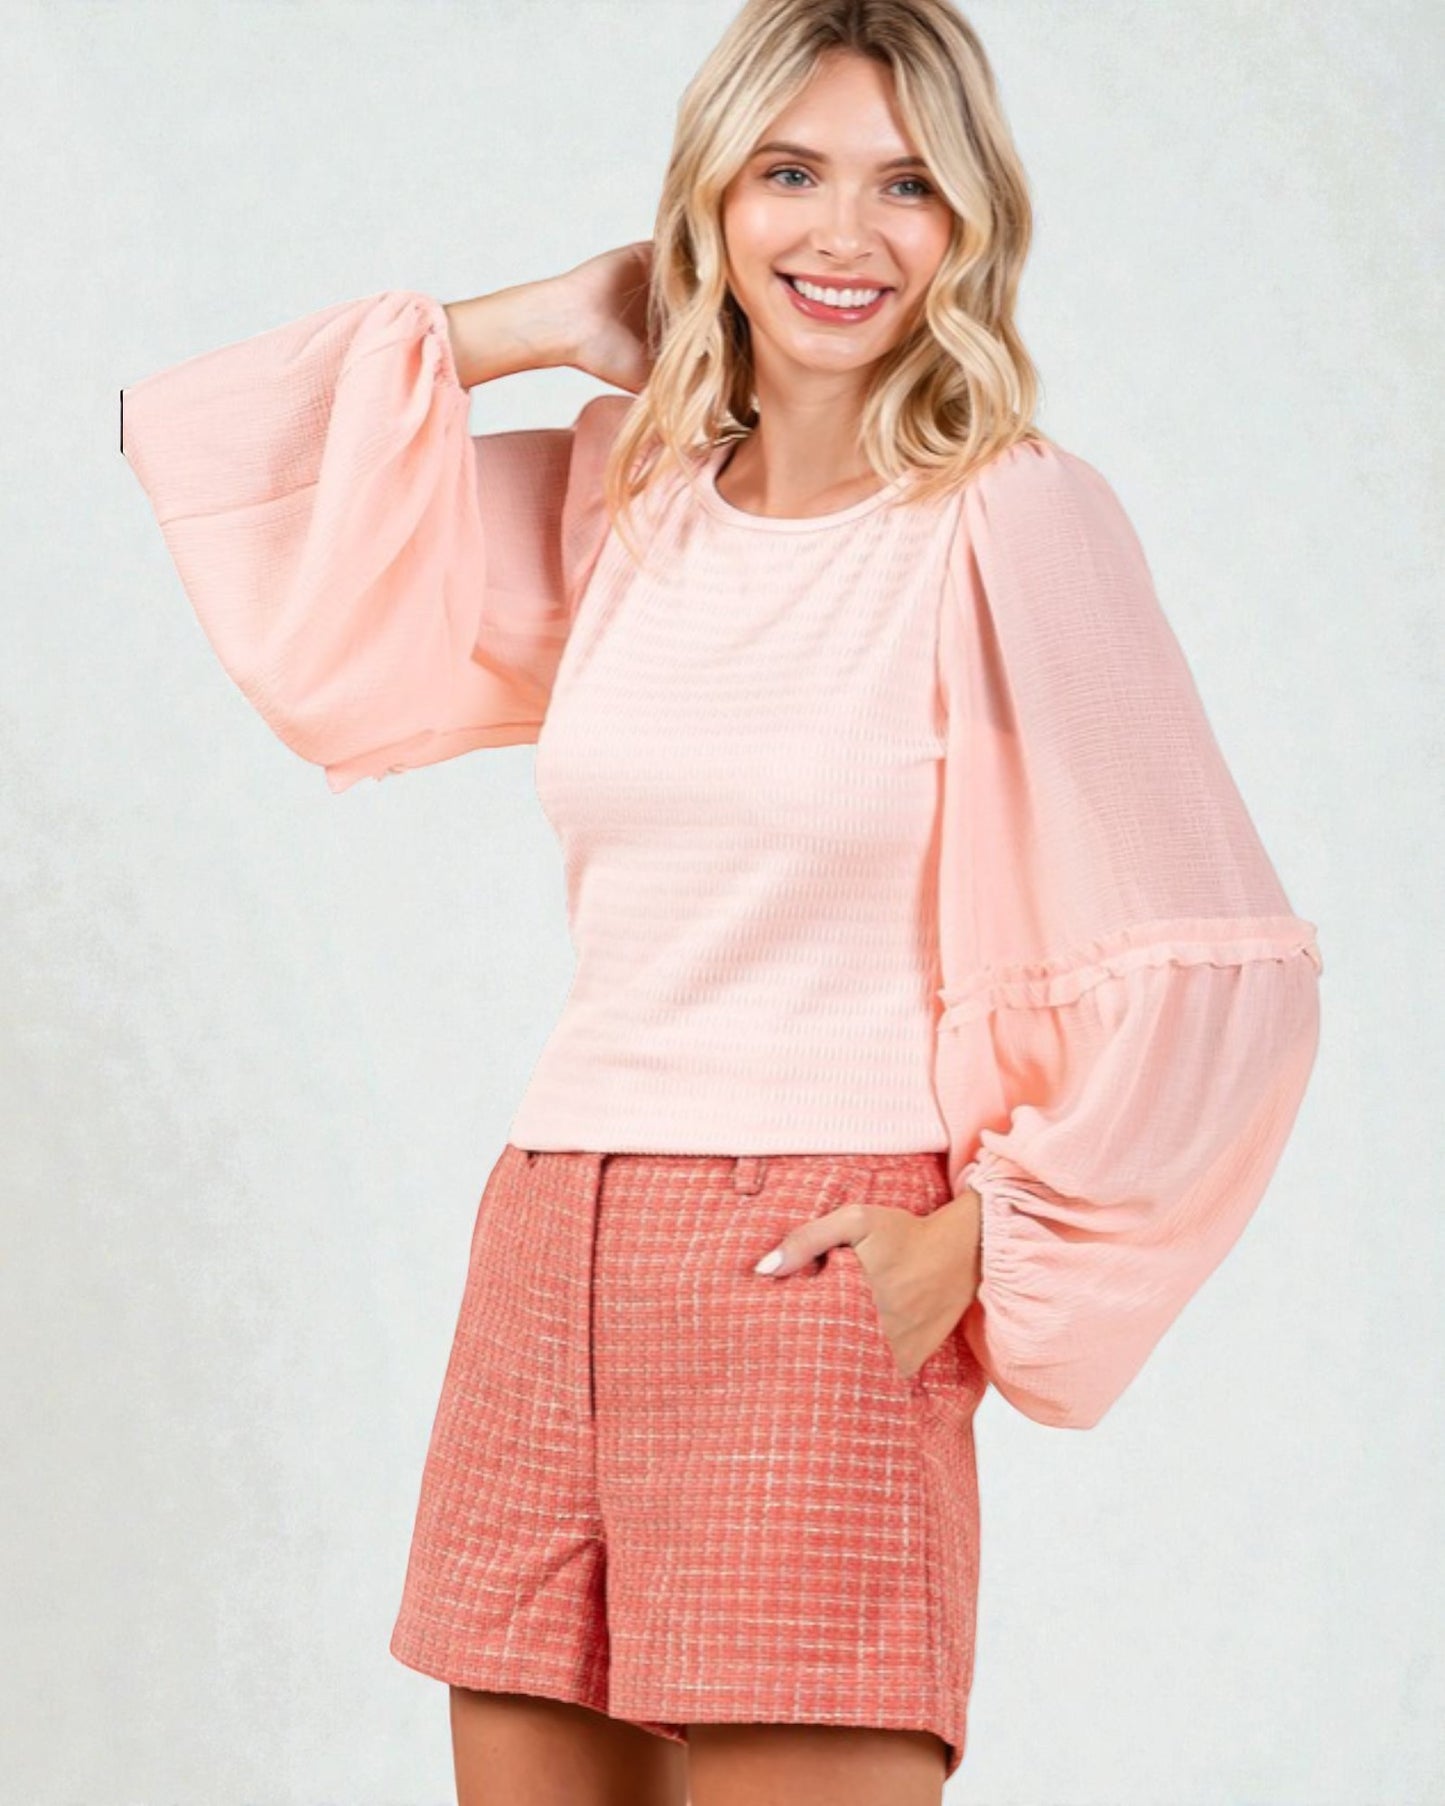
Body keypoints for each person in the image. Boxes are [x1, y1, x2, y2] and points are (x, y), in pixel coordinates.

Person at [119, 1, 1323, 1801]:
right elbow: (217, 456)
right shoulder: (632, 497)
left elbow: (1221, 960)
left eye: (905, 184)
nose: (844, 236)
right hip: (548, 1244)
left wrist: (980, 1237)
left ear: (968, 225)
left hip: (809, 1255)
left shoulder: (1010, 523)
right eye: (790, 173)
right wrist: (539, 320)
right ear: (711, 203)